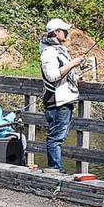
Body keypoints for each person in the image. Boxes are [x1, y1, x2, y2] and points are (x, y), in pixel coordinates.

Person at [40, 19, 84, 173]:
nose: (67, 33)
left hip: (63, 99)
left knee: (57, 136)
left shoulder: (58, 49)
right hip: (57, 101)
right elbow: (52, 76)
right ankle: (55, 169)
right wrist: (72, 64)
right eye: (65, 30)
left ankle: (56, 169)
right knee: (55, 138)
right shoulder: (48, 51)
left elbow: (61, 73)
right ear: (57, 32)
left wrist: (75, 78)